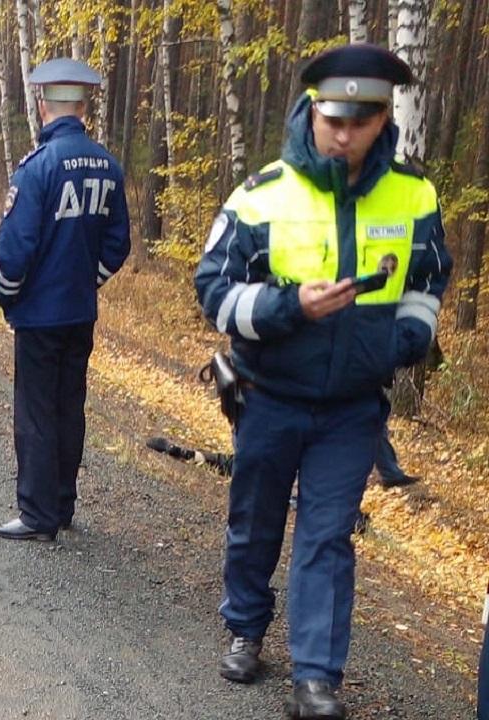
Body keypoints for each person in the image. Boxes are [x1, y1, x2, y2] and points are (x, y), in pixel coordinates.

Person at [194, 43, 451, 719]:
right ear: (312, 111)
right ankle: (245, 627)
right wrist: (288, 308)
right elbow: (212, 292)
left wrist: (408, 339)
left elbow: (427, 279)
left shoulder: (414, 194)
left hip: (351, 408)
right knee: (255, 526)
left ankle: (316, 677)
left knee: (328, 537)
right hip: (268, 396)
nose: (343, 133)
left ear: (381, 118)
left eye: (360, 120)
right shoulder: (261, 196)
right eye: (333, 118)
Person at [0, 58, 131, 542]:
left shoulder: (37, 168)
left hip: (39, 314)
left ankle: (36, 514)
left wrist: (5, 296)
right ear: (83, 106)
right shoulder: (108, 166)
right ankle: (63, 506)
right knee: (70, 407)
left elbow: (15, 250)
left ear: (44, 105)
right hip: (79, 311)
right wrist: (86, 281)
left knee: (35, 412)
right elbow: (118, 244)